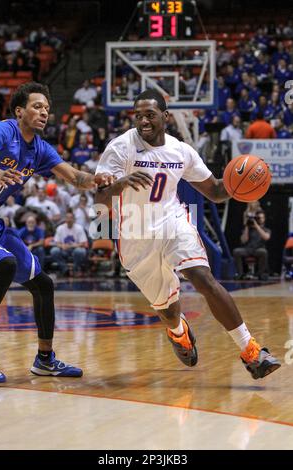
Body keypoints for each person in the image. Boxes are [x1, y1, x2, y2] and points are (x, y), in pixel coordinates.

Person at [95, 89, 280, 380]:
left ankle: (252, 351)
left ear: (165, 117)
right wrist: (120, 184)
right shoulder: (120, 148)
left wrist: (241, 183)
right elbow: (101, 197)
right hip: (134, 233)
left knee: (203, 278)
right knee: (168, 311)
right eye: (138, 115)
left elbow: (216, 191)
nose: (143, 120)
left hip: (172, 222)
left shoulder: (181, 151)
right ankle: (178, 331)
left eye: (150, 115)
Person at [0, 81, 112, 383]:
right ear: (19, 111)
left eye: (47, 108)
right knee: (4, 265)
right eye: (37, 106)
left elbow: (74, 176)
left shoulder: (41, 150)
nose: (44, 112)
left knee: (43, 284)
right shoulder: (3, 131)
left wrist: (97, 178)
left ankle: (45, 359)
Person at [233, 210, 271, 281]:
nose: (260, 219)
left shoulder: (266, 229)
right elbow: (243, 240)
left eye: (261, 218)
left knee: (264, 252)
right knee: (236, 251)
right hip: (248, 249)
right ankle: (240, 273)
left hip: (258, 249)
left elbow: (266, 237)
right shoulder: (249, 229)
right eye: (259, 218)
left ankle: (261, 274)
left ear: (264, 219)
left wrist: (256, 226)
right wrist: (247, 226)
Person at [50, 211, 88, 276]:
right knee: (54, 251)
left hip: (75, 249)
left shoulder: (79, 228)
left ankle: (75, 269)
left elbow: (83, 243)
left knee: (80, 251)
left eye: (71, 218)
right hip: (63, 249)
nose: (69, 220)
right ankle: (64, 269)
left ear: (74, 219)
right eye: (67, 218)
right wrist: (62, 246)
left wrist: (71, 246)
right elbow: (56, 242)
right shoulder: (60, 228)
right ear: (65, 219)